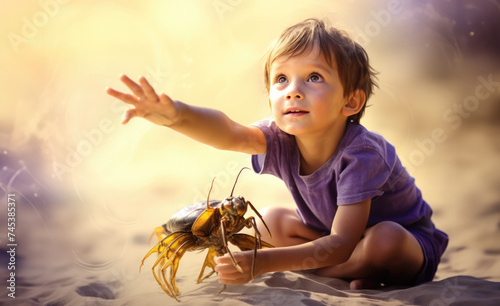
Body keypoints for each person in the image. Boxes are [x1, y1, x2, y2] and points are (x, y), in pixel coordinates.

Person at [106, 18, 448, 290]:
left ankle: (345, 270)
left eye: (313, 77)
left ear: (351, 101)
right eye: (281, 79)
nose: (293, 91)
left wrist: (263, 263)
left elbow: (343, 242)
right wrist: (178, 116)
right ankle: (355, 275)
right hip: (331, 239)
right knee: (271, 221)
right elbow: (231, 133)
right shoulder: (281, 138)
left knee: (382, 241)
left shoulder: (362, 155)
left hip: (407, 245)